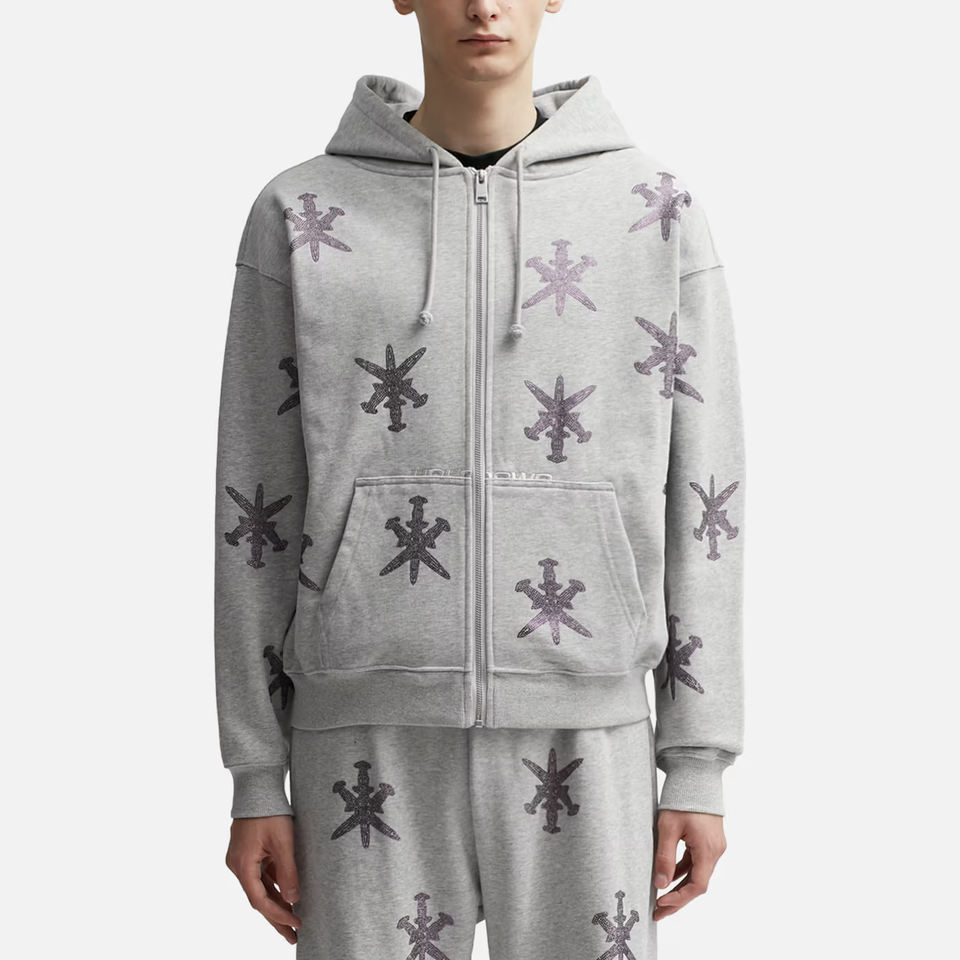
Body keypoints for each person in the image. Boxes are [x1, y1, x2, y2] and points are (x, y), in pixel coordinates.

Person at [214, 2, 746, 957]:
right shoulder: (304, 212)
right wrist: (255, 772)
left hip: (590, 732)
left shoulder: (653, 211)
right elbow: (256, 498)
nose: (484, 4)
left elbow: (707, 494)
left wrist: (697, 759)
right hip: (363, 732)